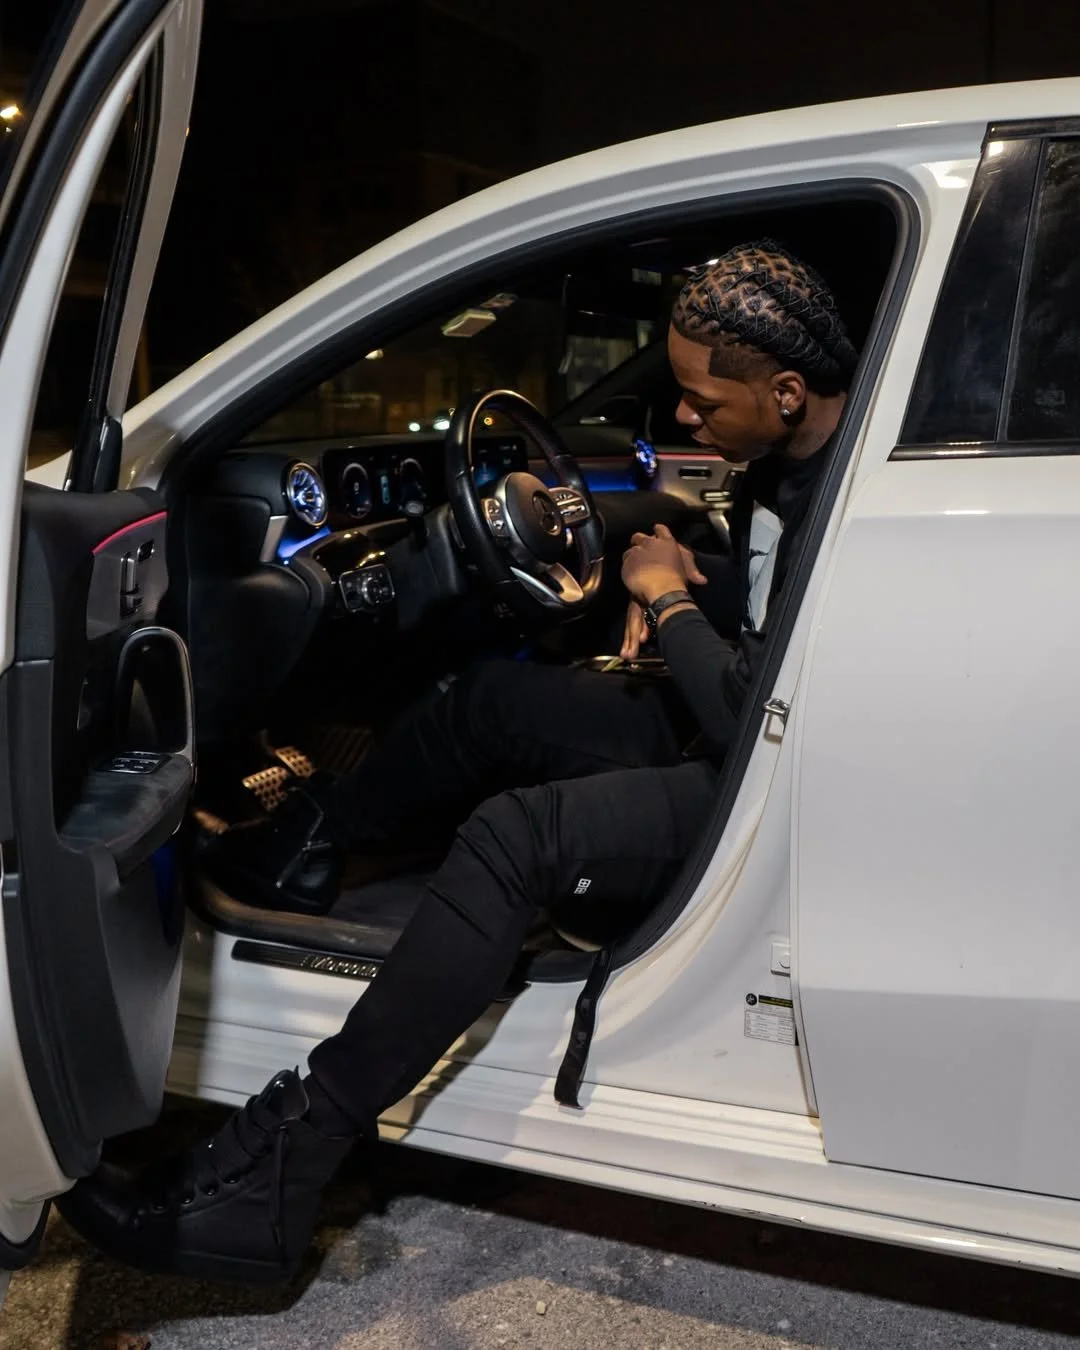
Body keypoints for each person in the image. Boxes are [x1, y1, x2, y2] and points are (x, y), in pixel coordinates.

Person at [61, 241, 858, 1284]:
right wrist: (682, 577)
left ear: (786, 393)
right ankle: (309, 848)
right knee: (487, 702)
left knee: (512, 838)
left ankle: (282, 1165)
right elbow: (765, 622)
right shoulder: (785, 468)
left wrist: (666, 597)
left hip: (776, 780)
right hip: (750, 730)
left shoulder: (842, 494)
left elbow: (750, 711)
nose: (683, 417)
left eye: (702, 401)